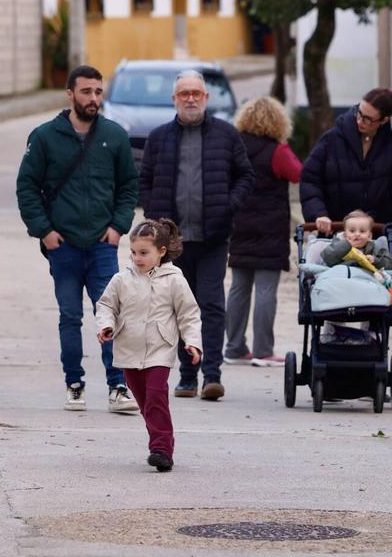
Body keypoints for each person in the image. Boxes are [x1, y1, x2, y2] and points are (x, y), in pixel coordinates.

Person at [16, 65, 141, 414]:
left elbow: (129, 186)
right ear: (70, 94)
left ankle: (118, 386)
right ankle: (74, 383)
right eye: (86, 92)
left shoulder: (114, 136)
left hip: (102, 246)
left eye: (98, 92)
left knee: (110, 317)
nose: (93, 98)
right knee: (70, 317)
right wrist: (44, 230)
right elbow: (26, 186)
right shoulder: (44, 137)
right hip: (64, 246)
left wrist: (119, 227)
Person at [139, 69, 254, 401]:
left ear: (206, 98)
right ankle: (187, 376)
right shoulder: (159, 137)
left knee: (212, 305)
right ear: (174, 99)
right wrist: (153, 213)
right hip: (172, 244)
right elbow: (144, 179)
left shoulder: (226, 135)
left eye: (196, 93)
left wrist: (228, 206)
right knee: (178, 308)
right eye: (184, 94)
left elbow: (245, 176)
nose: (190, 98)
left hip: (213, 237)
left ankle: (212, 375)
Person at [96, 219, 202, 472]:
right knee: (145, 403)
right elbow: (107, 305)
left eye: (144, 253)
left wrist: (193, 342)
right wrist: (106, 326)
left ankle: (161, 449)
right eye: (133, 252)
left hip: (159, 349)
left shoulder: (175, 280)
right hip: (128, 349)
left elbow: (189, 313)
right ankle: (160, 438)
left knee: (156, 397)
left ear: (161, 252)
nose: (137, 258)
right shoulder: (122, 279)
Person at [301, 86, 392, 244]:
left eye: (368, 119)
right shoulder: (331, 140)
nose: (360, 121)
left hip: (380, 237)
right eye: (359, 113)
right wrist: (318, 214)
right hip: (338, 234)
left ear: (384, 120)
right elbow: (310, 180)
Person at [224, 96, 302, 368]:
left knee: (238, 287)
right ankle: (263, 350)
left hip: (239, 225)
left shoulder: (235, 147)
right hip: (270, 227)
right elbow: (298, 174)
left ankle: (233, 348)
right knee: (266, 289)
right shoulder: (277, 151)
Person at [321, 209, 392, 275]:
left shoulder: (374, 248)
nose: (357, 234)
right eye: (352, 231)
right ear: (345, 235)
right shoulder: (338, 244)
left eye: (362, 231)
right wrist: (346, 245)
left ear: (369, 236)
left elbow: (390, 265)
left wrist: (375, 260)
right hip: (341, 277)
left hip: (367, 280)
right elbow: (327, 258)